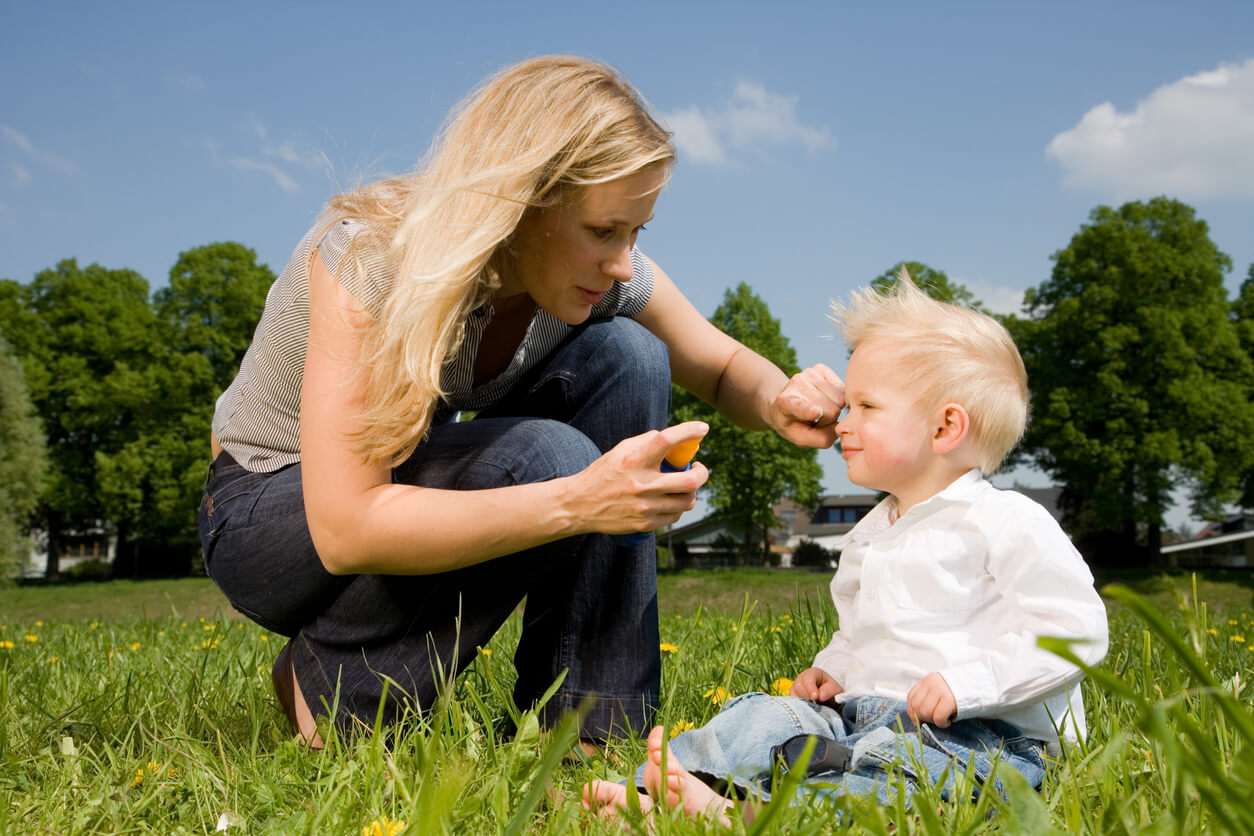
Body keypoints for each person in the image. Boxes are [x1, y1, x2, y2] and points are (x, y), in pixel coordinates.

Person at [197, 55, 844, 748]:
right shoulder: (372, 258)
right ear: (524, 203)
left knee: (628, 355)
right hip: (266, 516)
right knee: (550, 458)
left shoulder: (593, 276)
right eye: (603, 231)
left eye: (636, 233)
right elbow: (345, 526)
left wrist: (779, 397)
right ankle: (331, 690)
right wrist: (580, 499)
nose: (624, 262)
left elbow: (719, 366)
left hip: (391, 488)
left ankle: (586, 731)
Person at [584, 270, 1109, 824]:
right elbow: (863, 632)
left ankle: (757, 814)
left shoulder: (1006, 521)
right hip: (861, 717)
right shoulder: (873, 532)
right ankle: (665, 787)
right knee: (766, 719)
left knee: (901, 775)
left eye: (865, 407)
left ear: (945, 428)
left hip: (982, 738)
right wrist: (835, 668)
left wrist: (966, 686)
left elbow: (1073, 630)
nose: (841, 422)